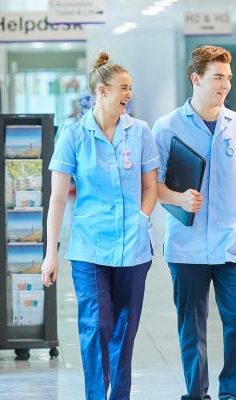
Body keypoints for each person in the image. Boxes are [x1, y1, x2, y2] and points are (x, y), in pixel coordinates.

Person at [41, 52, 160, 400]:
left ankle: (118, 395)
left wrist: (140, 219)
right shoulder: (73, 136)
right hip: (89, 248)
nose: (129, 95)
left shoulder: (140, 132)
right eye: (123, 88)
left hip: (134, 247)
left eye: (131, 89)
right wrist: (51, 254)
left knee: (125, 330)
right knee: (96, 326)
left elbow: (150, 187)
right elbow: (58, 199)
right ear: (102, 91)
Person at [153, 45, 236, 400]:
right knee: (192, 326)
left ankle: (233, 393)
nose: (225, 86)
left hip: (233, 243)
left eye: (228, 79)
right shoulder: (167, 127)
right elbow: (152, 185)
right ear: (196, 78)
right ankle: (196, 393)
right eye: (217, 78)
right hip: (186, 246)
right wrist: (178, 198)